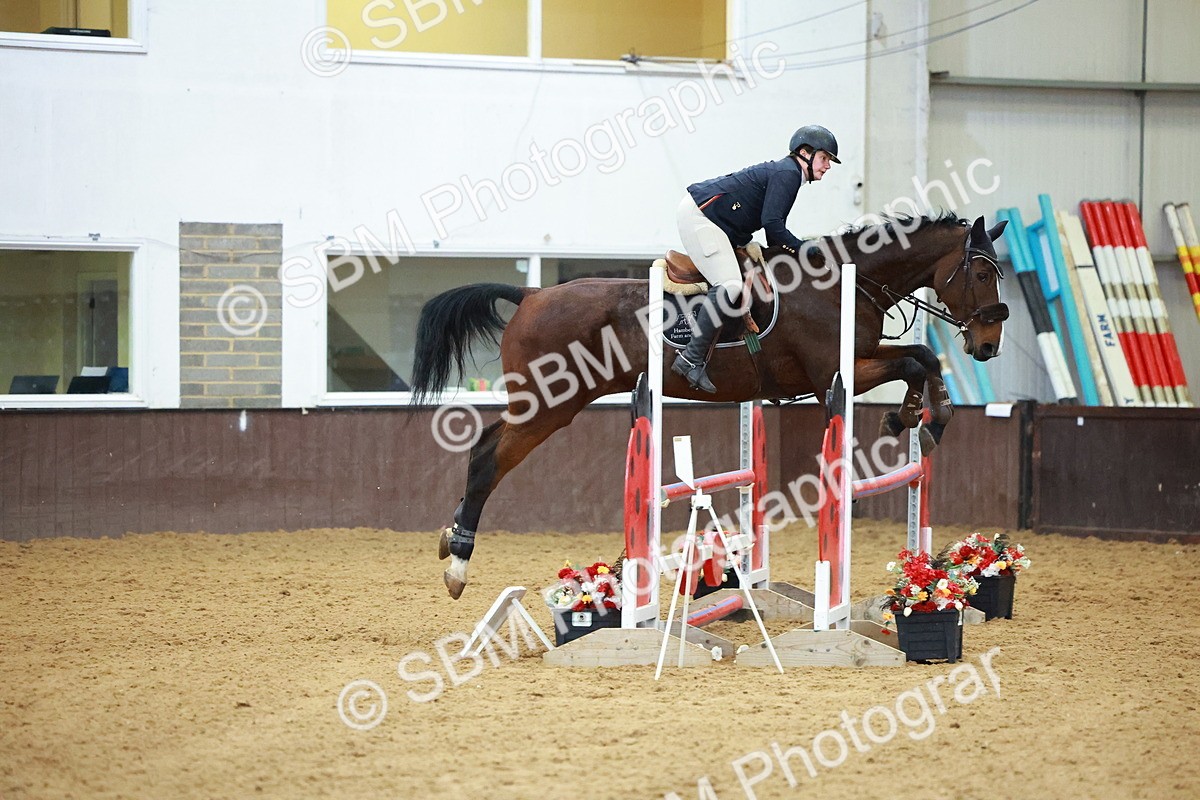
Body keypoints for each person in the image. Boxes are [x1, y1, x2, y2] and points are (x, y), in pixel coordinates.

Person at [672, 124, 840, 393]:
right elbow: (773, 224)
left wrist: (798, 252)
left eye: (829, 161)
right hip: (701, 218)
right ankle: (690, 358)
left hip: (720, 223)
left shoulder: (789, 173)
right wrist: (804, 249)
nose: (828, 166)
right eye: (824, 159)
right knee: (730, 285)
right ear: (805, 153)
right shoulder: (788, 174)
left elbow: (775, 237)